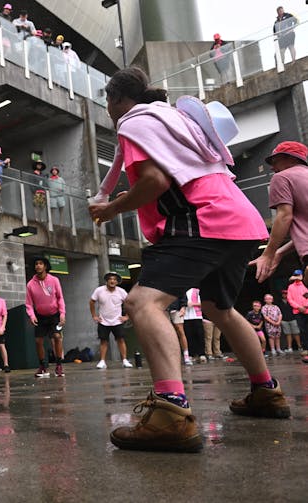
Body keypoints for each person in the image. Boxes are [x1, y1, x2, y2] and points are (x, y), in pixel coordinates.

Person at [89, 67, 289, 453]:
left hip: (201, 217)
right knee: (221, 308)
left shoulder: (135, 122)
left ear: (115, 100)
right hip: (239, 217)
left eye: (108, 103)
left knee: (142, 302)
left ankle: (170, 412)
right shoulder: (175, 118)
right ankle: (266, 392)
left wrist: (112, 208)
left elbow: (154, 182)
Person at [250, 141, 308, 286]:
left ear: (291, 158)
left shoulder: (282, 177)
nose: (272, 167)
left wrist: (268, 254)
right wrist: (280, 252)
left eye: (275, 161)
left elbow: (284, 216)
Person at [25, 257, 66, 378]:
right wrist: (31, 315)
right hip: (40, 316)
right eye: (36, 264)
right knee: (38, 341)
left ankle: (59, 365)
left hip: (54, 315)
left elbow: (60, 298)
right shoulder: (30, 284)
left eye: (41, 264)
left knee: (57, 336)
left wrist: (62, 313)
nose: (38, 266)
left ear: (45, 266)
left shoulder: (54, 280)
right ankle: (42, 366)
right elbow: (28, 303)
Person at [90, 272, 132, 369]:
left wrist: (127, 316)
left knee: (120, 340)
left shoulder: (121, 291)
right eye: (110, 279)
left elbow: (129, 303)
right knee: (103, 341)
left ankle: (125, 360)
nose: (112, 281)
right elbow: (91, 302)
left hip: (117, 320)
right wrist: (94, 316)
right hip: (103, 321)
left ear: (117, 282)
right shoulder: (99, 290)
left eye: (114, 279)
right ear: (107, 280)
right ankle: (102, 361)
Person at [286, 270, 308, 349]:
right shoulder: (291, 287)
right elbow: (289, 299)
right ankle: (306, 348)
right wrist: (299, 307)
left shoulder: (305, 285)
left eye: (298, 275)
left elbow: (307, 297)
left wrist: (305, 306)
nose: (297, 277)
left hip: (306, 310)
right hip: (298, 311)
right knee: (302, 330)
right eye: (296, 275)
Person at [168, 295, 192, 366]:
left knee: (180, 331)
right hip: (164, 309)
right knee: (167, 333)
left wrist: (183, 307)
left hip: (176, 308)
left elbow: (182, 293)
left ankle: (186, 356)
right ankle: (170, 357)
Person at [183, 287, 206, 363]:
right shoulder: (182, 291)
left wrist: (193, 304)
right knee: (189, 336)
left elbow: (203, 303)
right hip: (186, 317)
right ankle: (191, 354)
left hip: (197, 316)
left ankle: (201, 354)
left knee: (199, 335)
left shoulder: (197, 291)